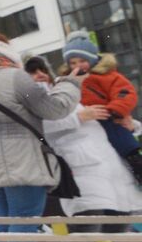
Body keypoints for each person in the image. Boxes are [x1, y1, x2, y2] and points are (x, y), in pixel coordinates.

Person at [0, 34, 81, 242]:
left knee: (5, 222)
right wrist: (69, 84)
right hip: (22, 162)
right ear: (3, 50)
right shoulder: (14, 77)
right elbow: (54, 108)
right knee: (25, 220)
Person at [30, 61, 142, 242]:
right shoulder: (36, 101)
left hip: (108, 165)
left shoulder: (70, 94)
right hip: (79, 167)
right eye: (32, 72)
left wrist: (131, 124)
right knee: (87, 223)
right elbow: (38, 127)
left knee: (118, 225)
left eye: (42, 70)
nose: (39, 75)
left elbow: (107, 119)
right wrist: (79, 117)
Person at [60, 32, 142, 184]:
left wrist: (115, 109)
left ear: (92, 59)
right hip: (84, 122)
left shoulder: (107, 76)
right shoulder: (66, 82)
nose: (78, 66)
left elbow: (125, 92)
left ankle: (135, 160)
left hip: (107, 114)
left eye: (82, 60)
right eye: (73, 62)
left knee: (118, 133)